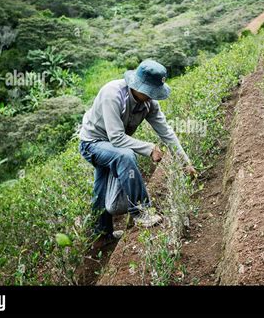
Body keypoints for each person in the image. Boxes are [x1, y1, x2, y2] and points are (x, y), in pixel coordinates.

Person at [78, 59, 197, 244]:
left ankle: (101, 235)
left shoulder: (149, 104)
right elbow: (116, 138)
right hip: (92, 143)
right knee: (125, 155)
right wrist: (149, 149)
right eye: (150, 92)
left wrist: (185, 163)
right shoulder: (113, 94)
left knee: (101, 187)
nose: (153, 96)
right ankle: (141, 212)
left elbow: (167, 133)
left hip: (110, 145)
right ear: (137, 85)